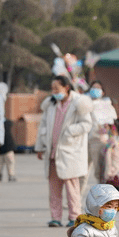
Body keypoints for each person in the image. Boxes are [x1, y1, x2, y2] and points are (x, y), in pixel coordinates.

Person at [35, 75, 92, 227]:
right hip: (53, 152)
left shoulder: (79, 103)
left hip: (70, 152)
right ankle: (55, 217)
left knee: (72, 188)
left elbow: (86, 124)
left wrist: (70, 131)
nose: (54, 92)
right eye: (52, 89)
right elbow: (43, 127)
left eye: (57, 88)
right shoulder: (51, 105)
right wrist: (40, 147)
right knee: (53, 188)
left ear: (66, 87)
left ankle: (74, 216)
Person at [82, 81, 117, 195]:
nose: (95, 90)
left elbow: (112, 125)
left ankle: (103, 196)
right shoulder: (83, 103)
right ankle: (75, 197)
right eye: (93, 87)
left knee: (100, 172)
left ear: (102, 92)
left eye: (98, 88)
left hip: (99, 141)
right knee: (82, 172)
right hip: (83, 141)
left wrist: (112, 137)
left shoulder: (106, 105)